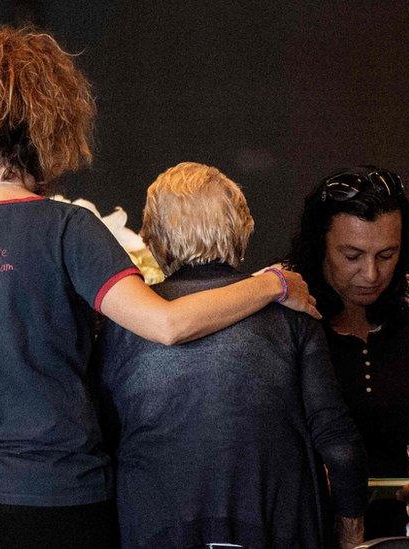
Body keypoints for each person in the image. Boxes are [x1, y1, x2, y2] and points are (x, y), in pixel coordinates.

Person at [0, 28, 318, 549]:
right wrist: (271, 283)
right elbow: (167, 324)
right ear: (56, 123)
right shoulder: (68, 228)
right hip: (54, 499)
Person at [98, 162, 367, 548]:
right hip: (276, 528)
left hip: (157, 528)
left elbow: (101, 445)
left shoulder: (125, 323)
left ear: (152, 237)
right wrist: (351, 532)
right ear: (242, 228)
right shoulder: (292, 314)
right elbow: (340, 446)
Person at [287, 165, 409, 538]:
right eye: (352, 255)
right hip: (310, 529)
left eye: (387, 255)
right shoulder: (282, 313)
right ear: (319, 244)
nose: (371, 274)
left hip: (397, 530)